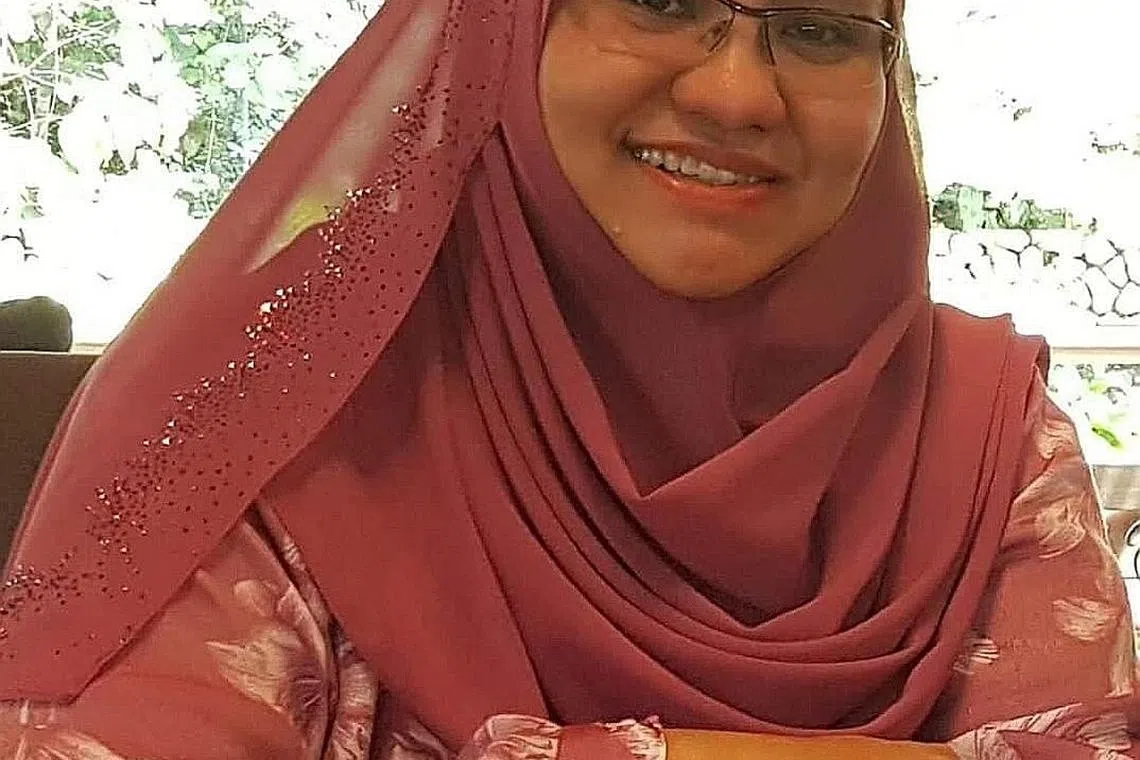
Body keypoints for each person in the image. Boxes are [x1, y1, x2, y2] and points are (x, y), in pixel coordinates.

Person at [0, 0, 1135, 756]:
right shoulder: (283, 412)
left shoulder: (984, 434)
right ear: (505, 28)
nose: (739, 95)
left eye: (820, 28)